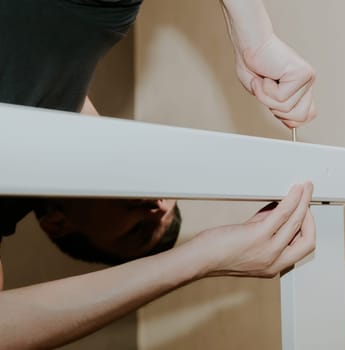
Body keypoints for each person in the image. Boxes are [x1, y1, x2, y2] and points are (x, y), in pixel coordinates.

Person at [0, 0, 317, 348]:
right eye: (167, 197)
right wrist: (257, 37)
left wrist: (201, 259)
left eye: (138, 231)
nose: (155, 207)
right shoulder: (95, 22)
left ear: (58, 223)